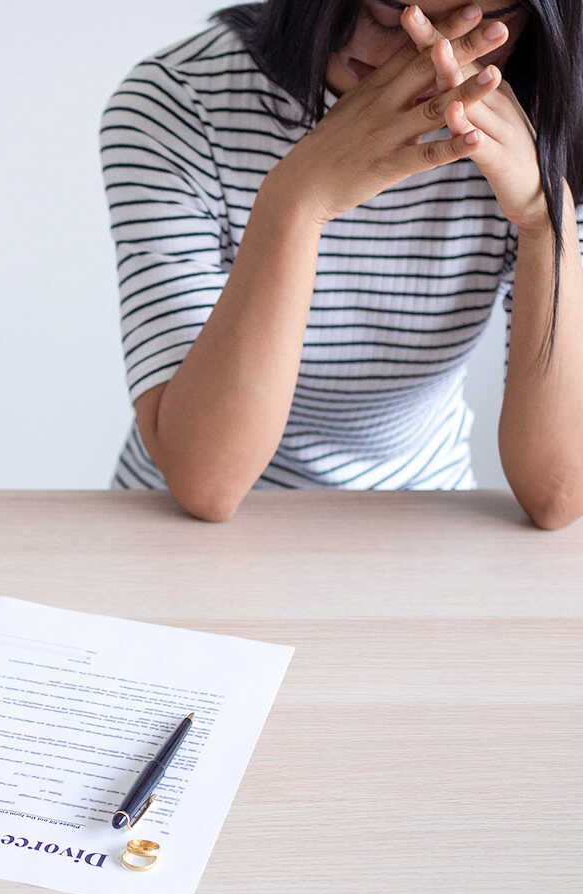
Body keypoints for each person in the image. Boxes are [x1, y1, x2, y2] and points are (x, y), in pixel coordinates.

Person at [100, 0, 583, 527]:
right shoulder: (178, 102)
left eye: (485, 24)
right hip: (172, 533)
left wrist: (544, 221)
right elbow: (207, 484)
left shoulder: (556, 122)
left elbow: (560, 495)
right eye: (389, 10)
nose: (431, 55)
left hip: (422, 523)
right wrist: (296, 204)